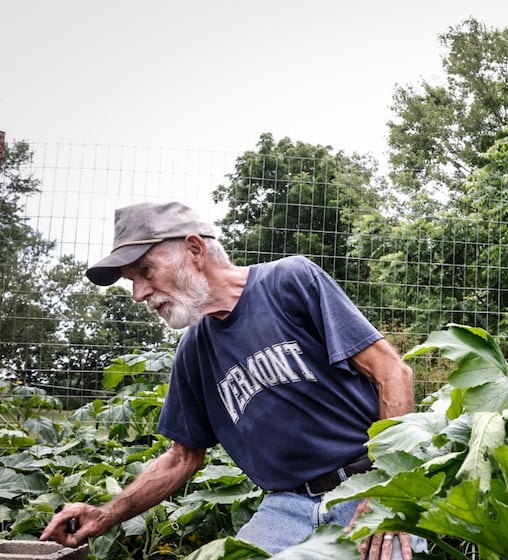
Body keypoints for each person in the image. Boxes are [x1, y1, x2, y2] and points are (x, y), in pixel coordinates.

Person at [40, 201, 426, 558]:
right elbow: (181, 458)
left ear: (194, 250)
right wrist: (105, 515)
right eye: (131, 281)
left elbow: (393, 372)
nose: (139, 293)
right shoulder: (193, 350)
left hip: (367, 483)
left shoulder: (289, 281)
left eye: (145, 271)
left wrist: (389, 489)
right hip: (286, 508)